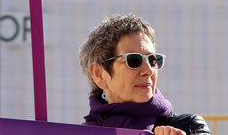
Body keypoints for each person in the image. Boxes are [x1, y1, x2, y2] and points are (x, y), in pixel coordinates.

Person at [79, 14, 211, 135]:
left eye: (152, 60)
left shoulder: (188, 127)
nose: (148, 71)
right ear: (99, 74)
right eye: (134, 60)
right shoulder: (79, 132)